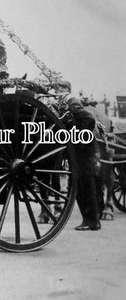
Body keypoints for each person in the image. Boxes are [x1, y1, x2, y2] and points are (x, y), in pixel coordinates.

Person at [54, 80, 101, 231]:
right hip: (77, 150)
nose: (57, 91)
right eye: (56, 88)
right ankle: (88, 220)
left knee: (86, 184)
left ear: (67, 89)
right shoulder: (65, 104)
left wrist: (78, 138)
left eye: (60, 88)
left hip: (82, 150)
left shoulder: (72, 102)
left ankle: (93, 221)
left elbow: (89, 119)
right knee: (79, 185)